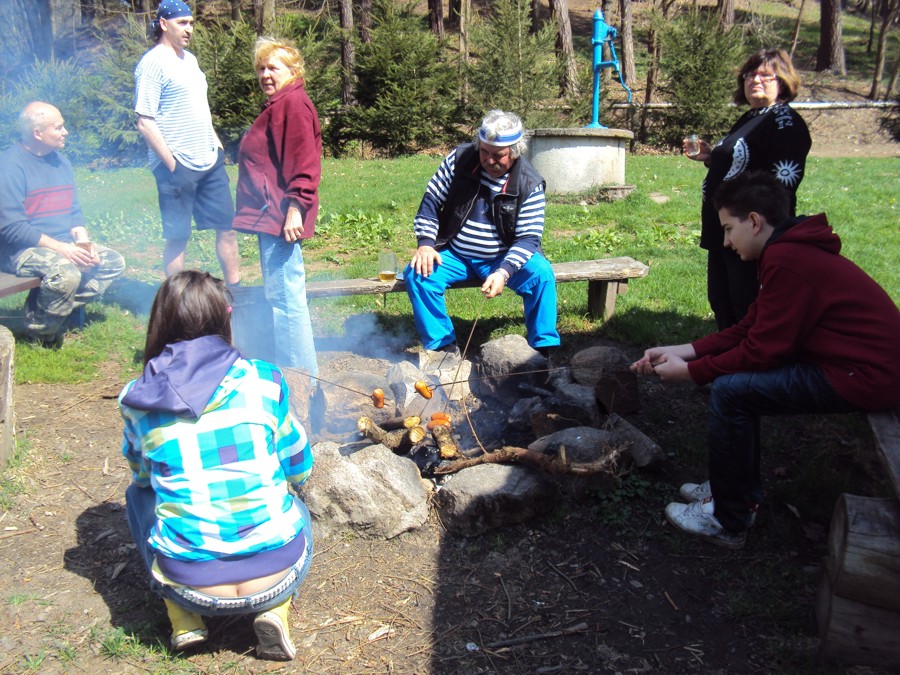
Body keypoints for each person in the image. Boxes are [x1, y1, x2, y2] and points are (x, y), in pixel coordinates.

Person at [630, 172, 900, 550]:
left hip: (869, 376)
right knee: (737, 388)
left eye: (728, 229)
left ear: (754, 221)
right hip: (854, 365)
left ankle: (728, 517)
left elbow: (762, 351)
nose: (725, 241)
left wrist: (692, 373)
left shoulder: (788, 259)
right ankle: (732, 489)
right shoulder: (786, 249)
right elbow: (751, 328)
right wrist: (684, 349)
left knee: (732, 391)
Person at [119, 271, 314, 660]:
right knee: (301, 511)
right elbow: (299, 466)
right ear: (225, 317)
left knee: (138, 495)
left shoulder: (136, 398)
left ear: (161, 322)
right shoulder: (264, 378)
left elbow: (141, 474)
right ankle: (275, 610)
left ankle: (184, 620)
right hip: (275, 577)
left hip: (190, 583)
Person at [404, 110, 560, 357]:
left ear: (516, 151)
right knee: (418, 274)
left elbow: (528, 238)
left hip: (502, 256)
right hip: (455, 253)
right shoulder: (459, 159)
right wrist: (425, 244)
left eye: (498, 155)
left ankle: (543, 349)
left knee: (541, 275)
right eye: (484, 152)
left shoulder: (530, 183)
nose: (488, 160)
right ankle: (442, 347)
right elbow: (431, 201)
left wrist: (503, 272)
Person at [685, 48, 811, 330]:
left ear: (783, 81)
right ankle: (728, 359)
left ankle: (750, 365)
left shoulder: (783, 122)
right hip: (725, 228)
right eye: (750, 74)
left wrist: (755, 224)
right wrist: (713, 158)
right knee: (722, 299)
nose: (756, 80)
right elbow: (744, 163)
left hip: (751, 233)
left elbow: (782, 183)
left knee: (747, 302)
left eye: (766, 75)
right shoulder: (751, 117)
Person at [0, 102, 125, 347]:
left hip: (60, 243)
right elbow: (12, 228)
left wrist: (83, 244)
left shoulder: (61, 162)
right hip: (19, 249)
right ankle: (41, 334)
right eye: (58, 128)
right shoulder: (9, 166)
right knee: (65, 273)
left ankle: (43, 310)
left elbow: (74, 211)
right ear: (37, 133)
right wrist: (64, 250)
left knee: (112, 262)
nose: (65, 132)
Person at [134, 0, 240, 286]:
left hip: (209, 160)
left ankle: (236, 292)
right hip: (176, 166)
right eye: (182, 23)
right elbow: (145, 120)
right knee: (178, 236)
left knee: (227, 228)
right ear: (163, 24)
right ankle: (177, 303)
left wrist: (217, 145)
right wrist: (172, 164)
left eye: (192, 23)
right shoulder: (152, 63)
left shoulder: (189, 59)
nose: (189, 29)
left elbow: (197, 107)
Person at [232, 37, 321, 374]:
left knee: (286, 302)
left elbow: (304, 163)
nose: (265, 74)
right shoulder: (280, 104)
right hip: (270, 217)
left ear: (293, 70)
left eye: (274, 67)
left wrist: (295, 209)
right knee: (282, 299)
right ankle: (298, 379)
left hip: (280, 218)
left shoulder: (292, 105)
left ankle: (300, 382)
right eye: (261, 68)